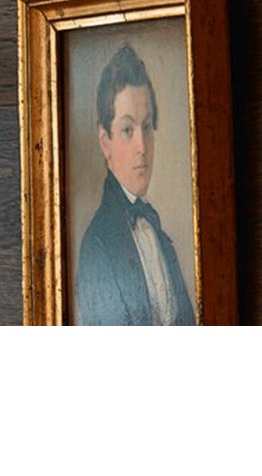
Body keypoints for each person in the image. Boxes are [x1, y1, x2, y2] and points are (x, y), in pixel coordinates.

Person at [76, 45, 194, 325]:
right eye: (128, 130)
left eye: (147, 127)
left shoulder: (154, 229)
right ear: (105, 141)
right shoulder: (98, 246)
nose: (142, 147)